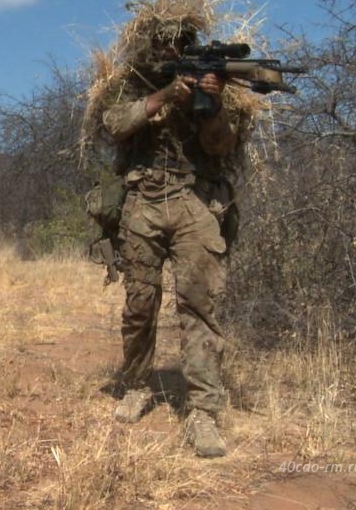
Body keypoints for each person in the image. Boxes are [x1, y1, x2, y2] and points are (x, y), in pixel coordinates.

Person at [100, 25, 236, 458]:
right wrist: (166, 96)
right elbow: (115, 124)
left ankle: (203, 412)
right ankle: (138, 386)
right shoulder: (129, 83)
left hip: (194, 200)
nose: (166, 47)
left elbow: (219, 147)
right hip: (142, 201)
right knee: (140, 303)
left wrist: (211, 104)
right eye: (159, 39)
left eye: (176, 40)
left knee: (199, 307)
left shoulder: (213, 85)